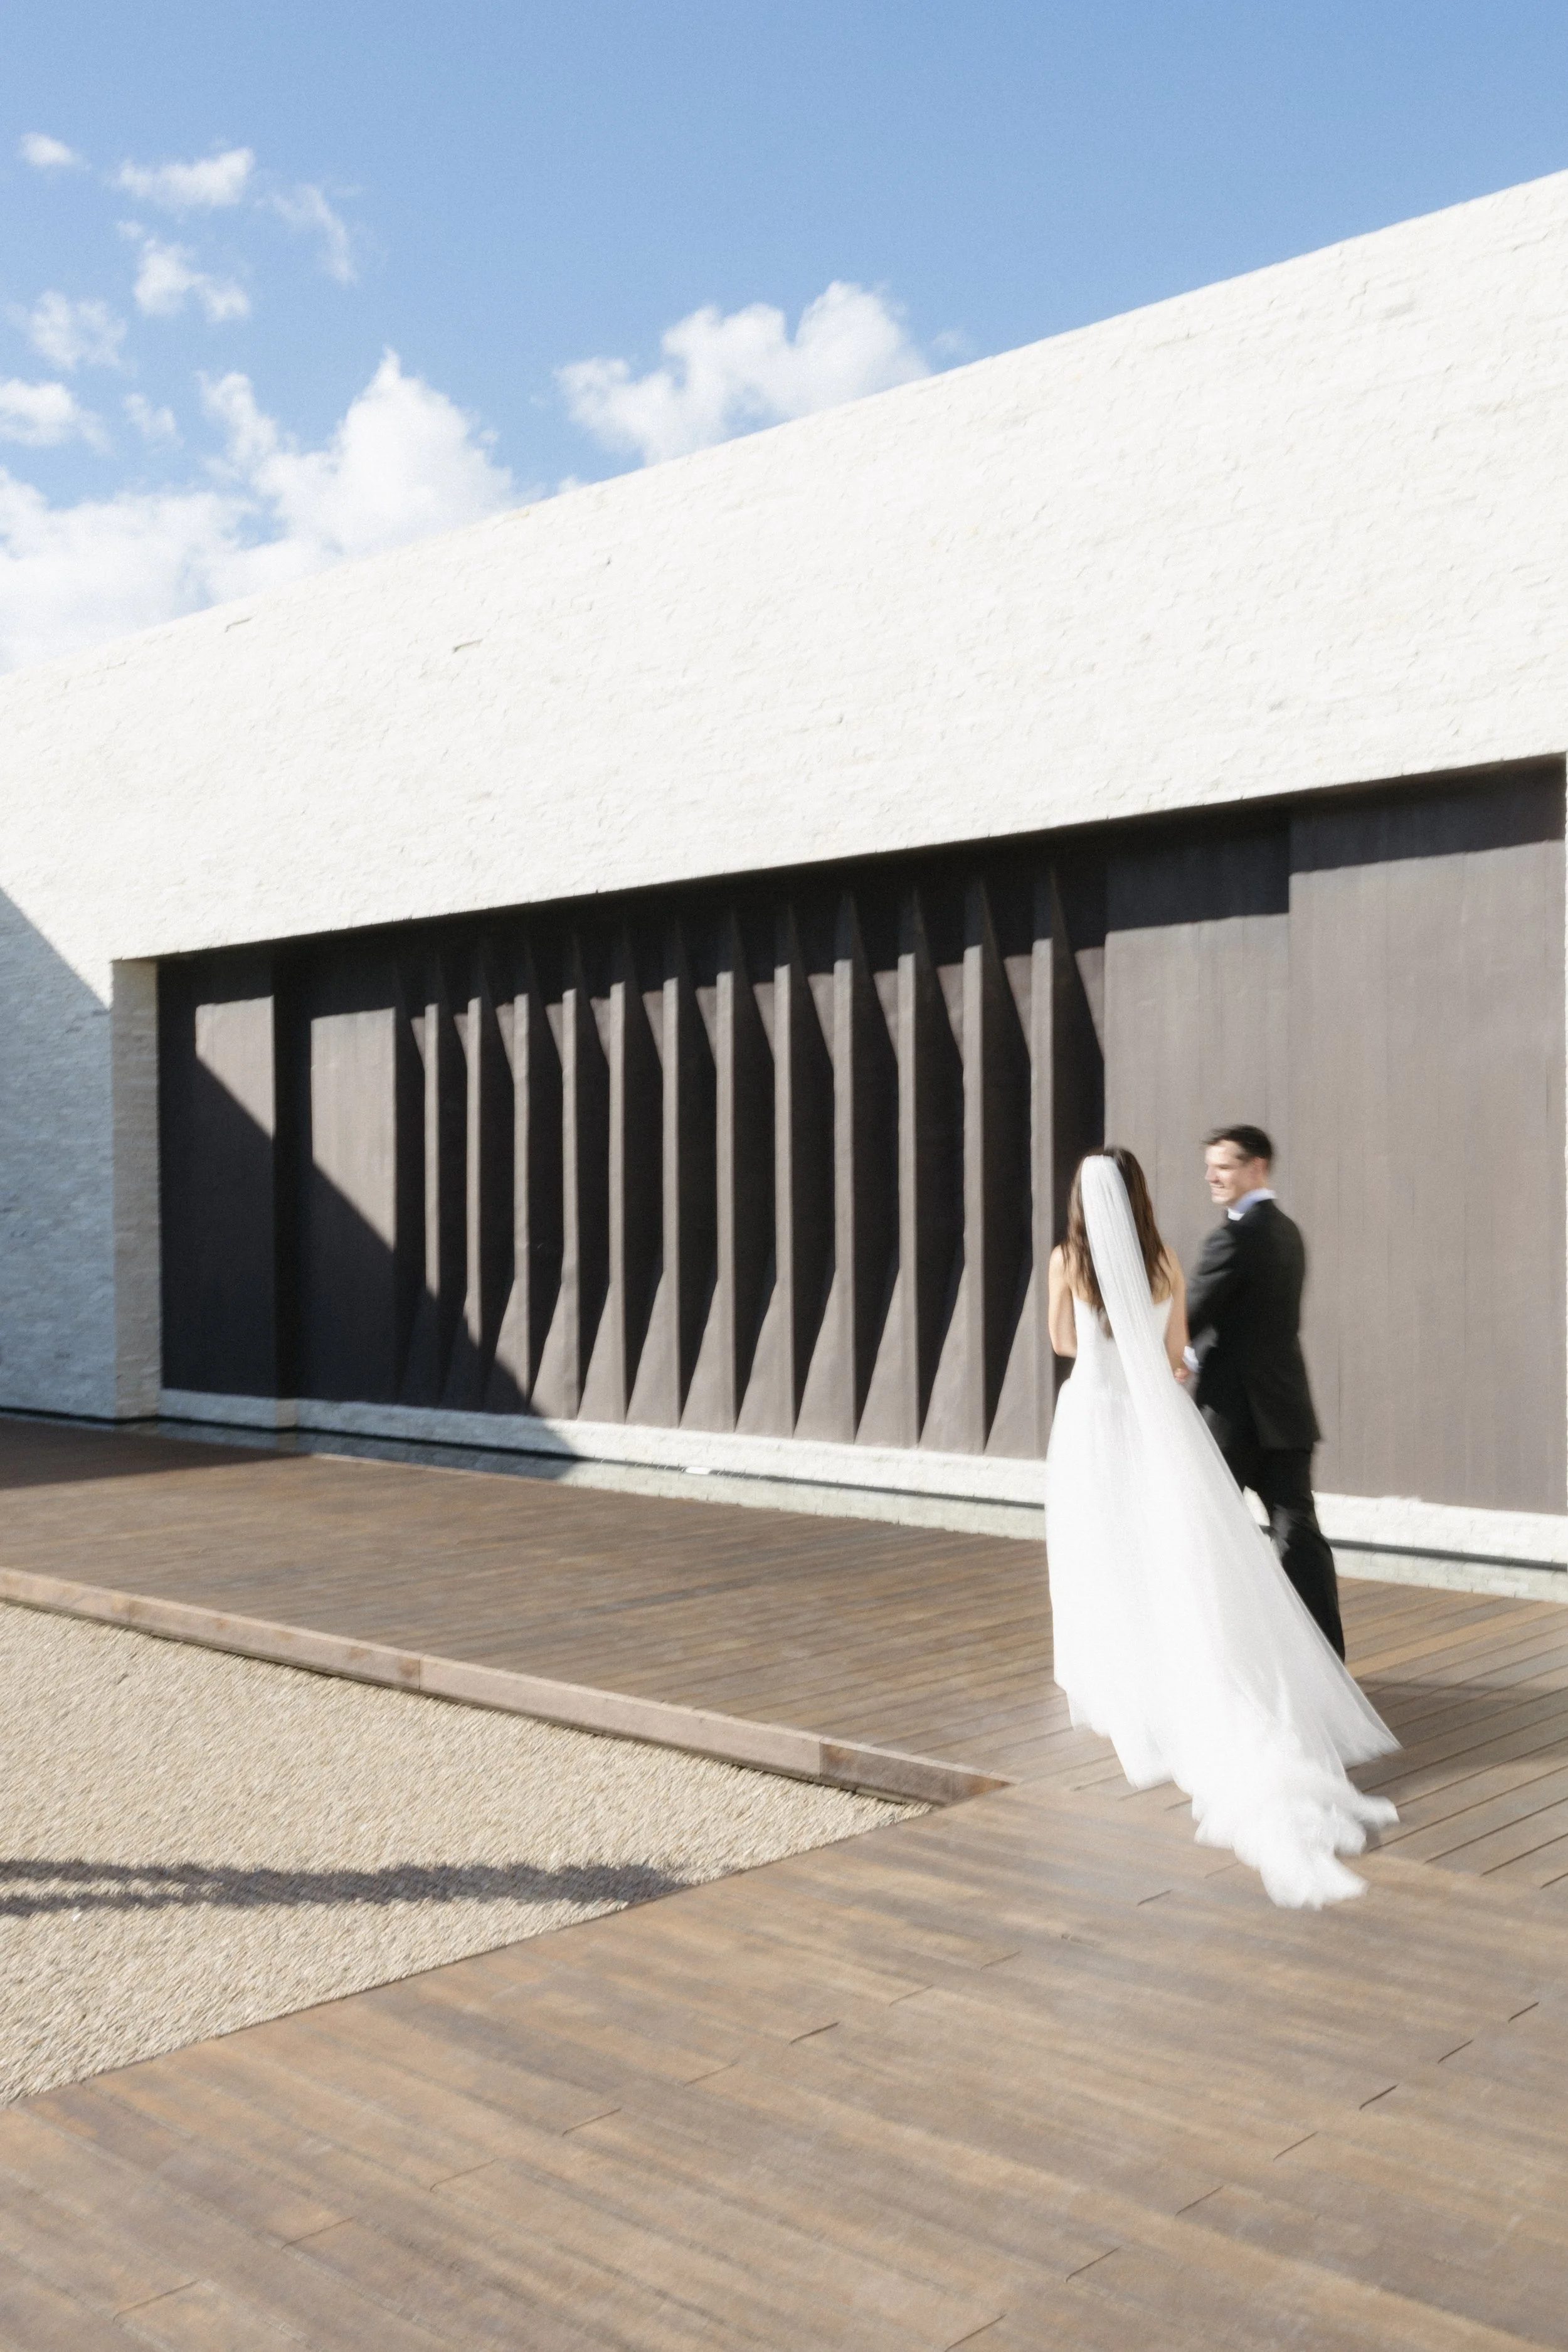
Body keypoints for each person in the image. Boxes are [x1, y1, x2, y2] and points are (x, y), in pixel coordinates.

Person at [1045, 1147, 1396, 1907]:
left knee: (1098, 1549)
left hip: (1091, 1419)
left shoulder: (1066, 1262)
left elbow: (1063, 1344)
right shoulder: (1168, 1259)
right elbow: (1176, 1356)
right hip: (1157, 1420)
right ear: (1138, 1195)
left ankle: (1114, 1673)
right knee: (1169, 1549)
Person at [1186, 1125, 1344, 1658]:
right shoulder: (1289, 1232)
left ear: (1258, 1168)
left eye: (1224, 1166)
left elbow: (1187, 1319)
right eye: (1210, 1166)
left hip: (1231, 1416)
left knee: (1207, 1536)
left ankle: (1223, 1657)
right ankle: (1324, 1659)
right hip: (1286, 1409)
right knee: (1298, 1533)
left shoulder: (1232, 1238)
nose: (1212, 1176)